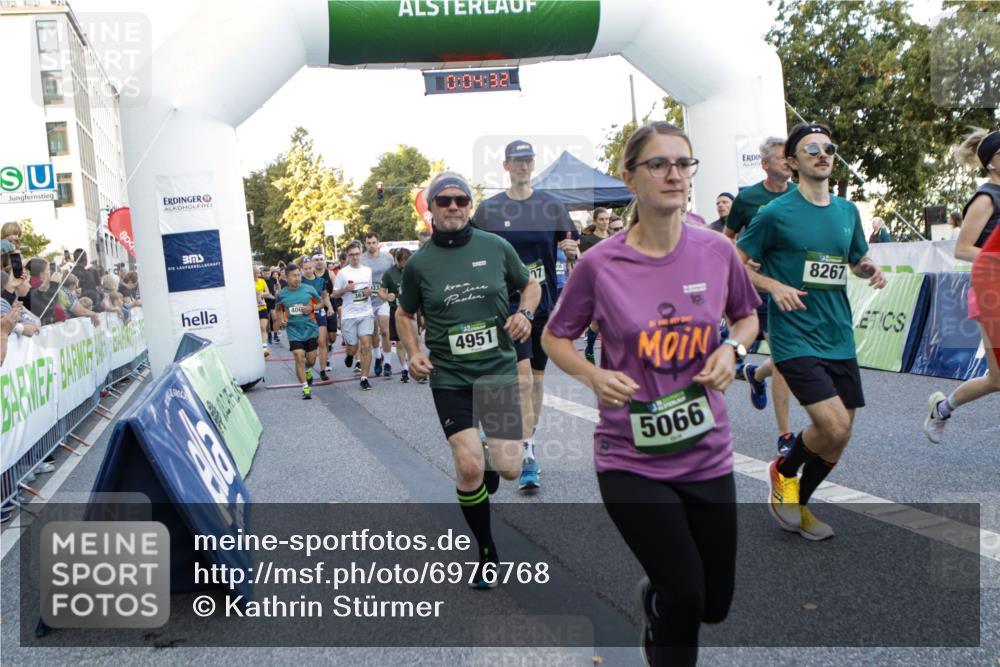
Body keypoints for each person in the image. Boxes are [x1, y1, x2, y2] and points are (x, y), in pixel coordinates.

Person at [542, 122, 759, 666]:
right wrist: (593, 376)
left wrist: (732, 349)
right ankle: (665, 605)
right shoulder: (600, 264)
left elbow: (748, 316)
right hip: (631, 457)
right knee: (686, 595)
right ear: (630, 179)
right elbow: (555, 336)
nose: (674, 174)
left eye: (683, 163)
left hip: (706, 452)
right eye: (658, 164)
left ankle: (653, 599)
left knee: (713, 605)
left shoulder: (716, 251)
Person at [736, 122, 887, 541]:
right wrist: (773, 286)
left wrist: (866, 268)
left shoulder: (847, 211)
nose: (823, 154)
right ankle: (782, 468)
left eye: (828, 148)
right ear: (792, 162)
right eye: (811, 149)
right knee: (834, 427)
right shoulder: (774, 214)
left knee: (840, 436)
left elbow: (854, 258)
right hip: (794, 334)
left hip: (837, 331)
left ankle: (798, 501)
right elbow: (735, 263)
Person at [396, 172, 541, 588]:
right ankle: (486, 551)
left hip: (495, 372)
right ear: (432, 209)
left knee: (509, 470)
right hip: (450, 377)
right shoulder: (420, 263)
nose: (454, 206)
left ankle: (491, 462)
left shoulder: (495, 247)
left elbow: (529, 285)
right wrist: (413, 353)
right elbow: (404, 314)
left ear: (469, 204)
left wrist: (525, 313)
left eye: (461, 199)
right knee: (468, 465)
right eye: (445, 201)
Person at [471, 140, 580, 492]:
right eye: (516, 161)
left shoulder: (552, 207)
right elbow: (472, 252)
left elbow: (573, 255)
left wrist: (573, 252)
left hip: (544, 305)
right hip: (507, 308)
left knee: (534, 382)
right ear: (505, 166)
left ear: (533, 164)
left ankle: (519, 441)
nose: (522, 166)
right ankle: (524, 453)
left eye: (527, 160)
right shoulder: (489, 210)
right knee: (521, 380)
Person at [924, 128, 1000, 442]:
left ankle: (943, 407)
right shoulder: (986, 197)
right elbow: (962, 248)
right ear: (992, 162)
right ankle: (942, 408)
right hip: (991, 291)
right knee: (998, 379)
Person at [725, 136, 798, 455]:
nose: (788, 162)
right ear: (766, 164)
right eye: (783, 157)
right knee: (784, 356)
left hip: (795, 286)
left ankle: (756, 372)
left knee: (792, 357)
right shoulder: (748, 199)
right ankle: (785, 435)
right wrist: (743, 257)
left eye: (790, 157)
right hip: (760, 287)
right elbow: (726, 240)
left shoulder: (801, 195)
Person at [274, 263, 321, 400]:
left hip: (310, 328)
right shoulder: (282, 294)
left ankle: (307, 370)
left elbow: (321, 303)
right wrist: (281, 319)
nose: (297, 278)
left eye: (298, 275)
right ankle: (305, 387)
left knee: (311, 359)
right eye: (294, 276)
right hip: (294, 330)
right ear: (286, 277)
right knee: (298, 355)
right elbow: (278, 309)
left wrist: (312, 308)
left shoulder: (309, 289)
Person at [332, 241, 376, 391]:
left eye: (357, 254)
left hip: (365, 313)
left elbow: (370, 289)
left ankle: (364, 378)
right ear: (348, 256)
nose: (355, 257)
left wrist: (369, 292)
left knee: (366, 345)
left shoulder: (367, 271)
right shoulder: (343, 273)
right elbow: (334, 293)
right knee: (353, 347)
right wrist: (345, 289)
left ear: (360, 254)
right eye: (352, 255)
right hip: (349, 315)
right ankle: (350, 355)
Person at [361, 233, 396, 377]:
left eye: (374, 242)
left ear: (378, 243)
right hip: (368, 301)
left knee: (385, 331)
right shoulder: (361, 259)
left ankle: (387, 362)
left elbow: (394, 274)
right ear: (365, 244)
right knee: (374, 333)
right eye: (368, 243)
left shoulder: (387, 258)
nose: (371, 245)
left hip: (383, 298)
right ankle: (377, 357)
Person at [379, 247, 412, 383]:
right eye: (403, 261)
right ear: (397, 260)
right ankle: (405, 369)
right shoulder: (389, 273)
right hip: (396, 311)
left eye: (407, 260)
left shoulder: (413, 270)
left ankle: (416, 367)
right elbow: (381, 292)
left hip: (411, 309)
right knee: (399, 343)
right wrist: (387, 296)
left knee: (414, 341)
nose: (405, 264)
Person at [300, 256, 334, 381]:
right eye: (305, 269)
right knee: (309, 344)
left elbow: (325, 297)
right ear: (302, 270)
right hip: (305, 315)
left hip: (319, 312)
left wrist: (329, 307)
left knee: (322, 342)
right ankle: (308, 368)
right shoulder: (300, 282)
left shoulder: (321, 281)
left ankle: (323, 370)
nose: (308, 271)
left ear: (313, 267)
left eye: (309, 268)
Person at [254, 266, 272, 357]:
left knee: (263, 327)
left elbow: (267, 292)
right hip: (252, 309)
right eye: (255, 273)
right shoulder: (248, 282)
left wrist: (261, 294)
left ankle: (264, 348)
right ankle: (256, 347)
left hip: (262, 307)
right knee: (255, 330)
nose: (257, 275)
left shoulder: (262, 281)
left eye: (258, 273)